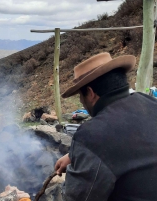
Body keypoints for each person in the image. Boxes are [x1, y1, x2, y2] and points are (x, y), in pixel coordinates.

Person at [54, 52, 157, 201]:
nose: (82, 102)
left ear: (90, 93)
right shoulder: (150, 103)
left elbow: (79, 197)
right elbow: (131, 141)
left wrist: (77, 166)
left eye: (80, 96)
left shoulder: (91, 134)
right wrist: (75, 155)